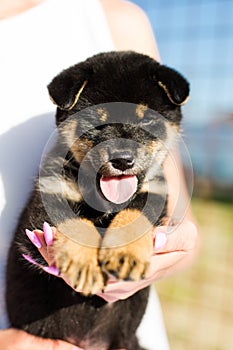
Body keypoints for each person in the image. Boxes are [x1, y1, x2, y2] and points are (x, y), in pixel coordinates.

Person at [0, 0, 199, 349]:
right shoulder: (59, 174)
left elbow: (179, 226)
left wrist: (166, 242)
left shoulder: (116, 18)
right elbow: (44, 215)